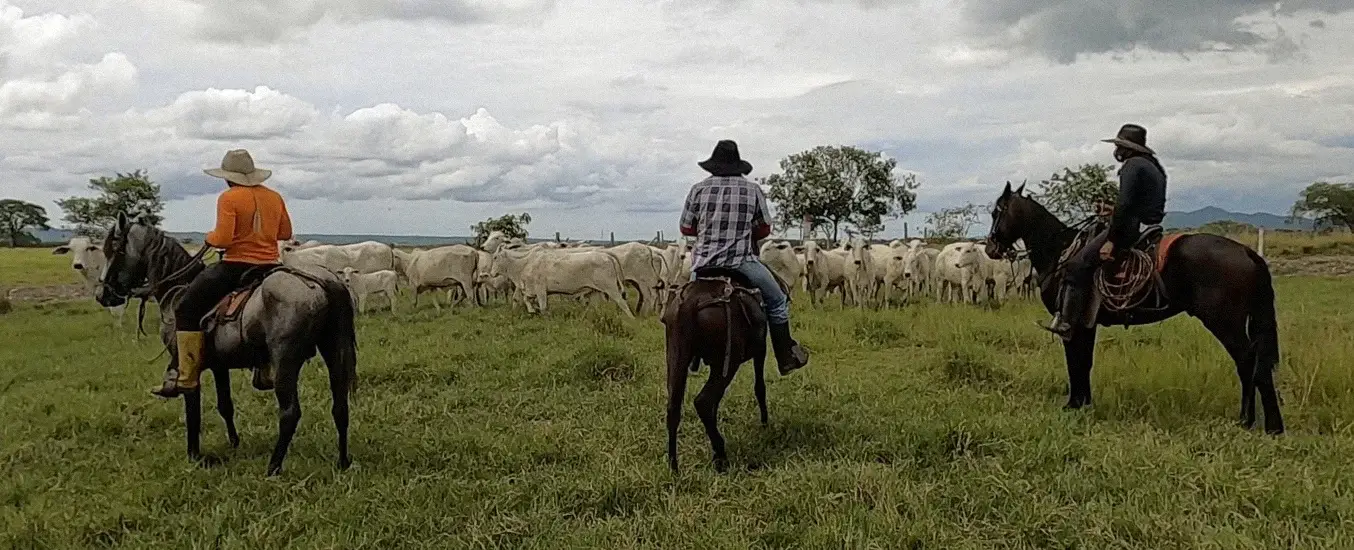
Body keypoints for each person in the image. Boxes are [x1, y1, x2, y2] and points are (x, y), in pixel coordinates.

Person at [152, 149, 293, 398]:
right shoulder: (274, 197)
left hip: (236, 266)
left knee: (186, 309)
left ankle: (186, 376)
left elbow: (224, 238)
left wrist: (210, 237)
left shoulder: (229, 198)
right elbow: (285, 233)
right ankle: (265, 367)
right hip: (270, 266)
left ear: (228, 177)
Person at [679, 140, 809, 375]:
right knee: (778, 300)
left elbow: (686, 228)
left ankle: (692, 356)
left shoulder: (698, 189)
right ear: (737, 165)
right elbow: (764, 229)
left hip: (703, 264)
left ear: (713, 166)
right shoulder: (752, 189)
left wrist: (708, 231)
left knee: (685, 302)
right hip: (741, 262)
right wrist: (744, 232)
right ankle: (785, 356)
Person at [1042, 124, 1168, 338]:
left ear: (1128, 148)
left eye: (1119, 145)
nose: (1116, 150)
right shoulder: (1154, 167)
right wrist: (1112, 209)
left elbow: (1125, 205)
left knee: (1076, 265)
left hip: (1130, 228)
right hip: (1150, 226)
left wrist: (1111, 240)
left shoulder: (1132, 165)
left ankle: (1067, 322)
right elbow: (1138, 204)